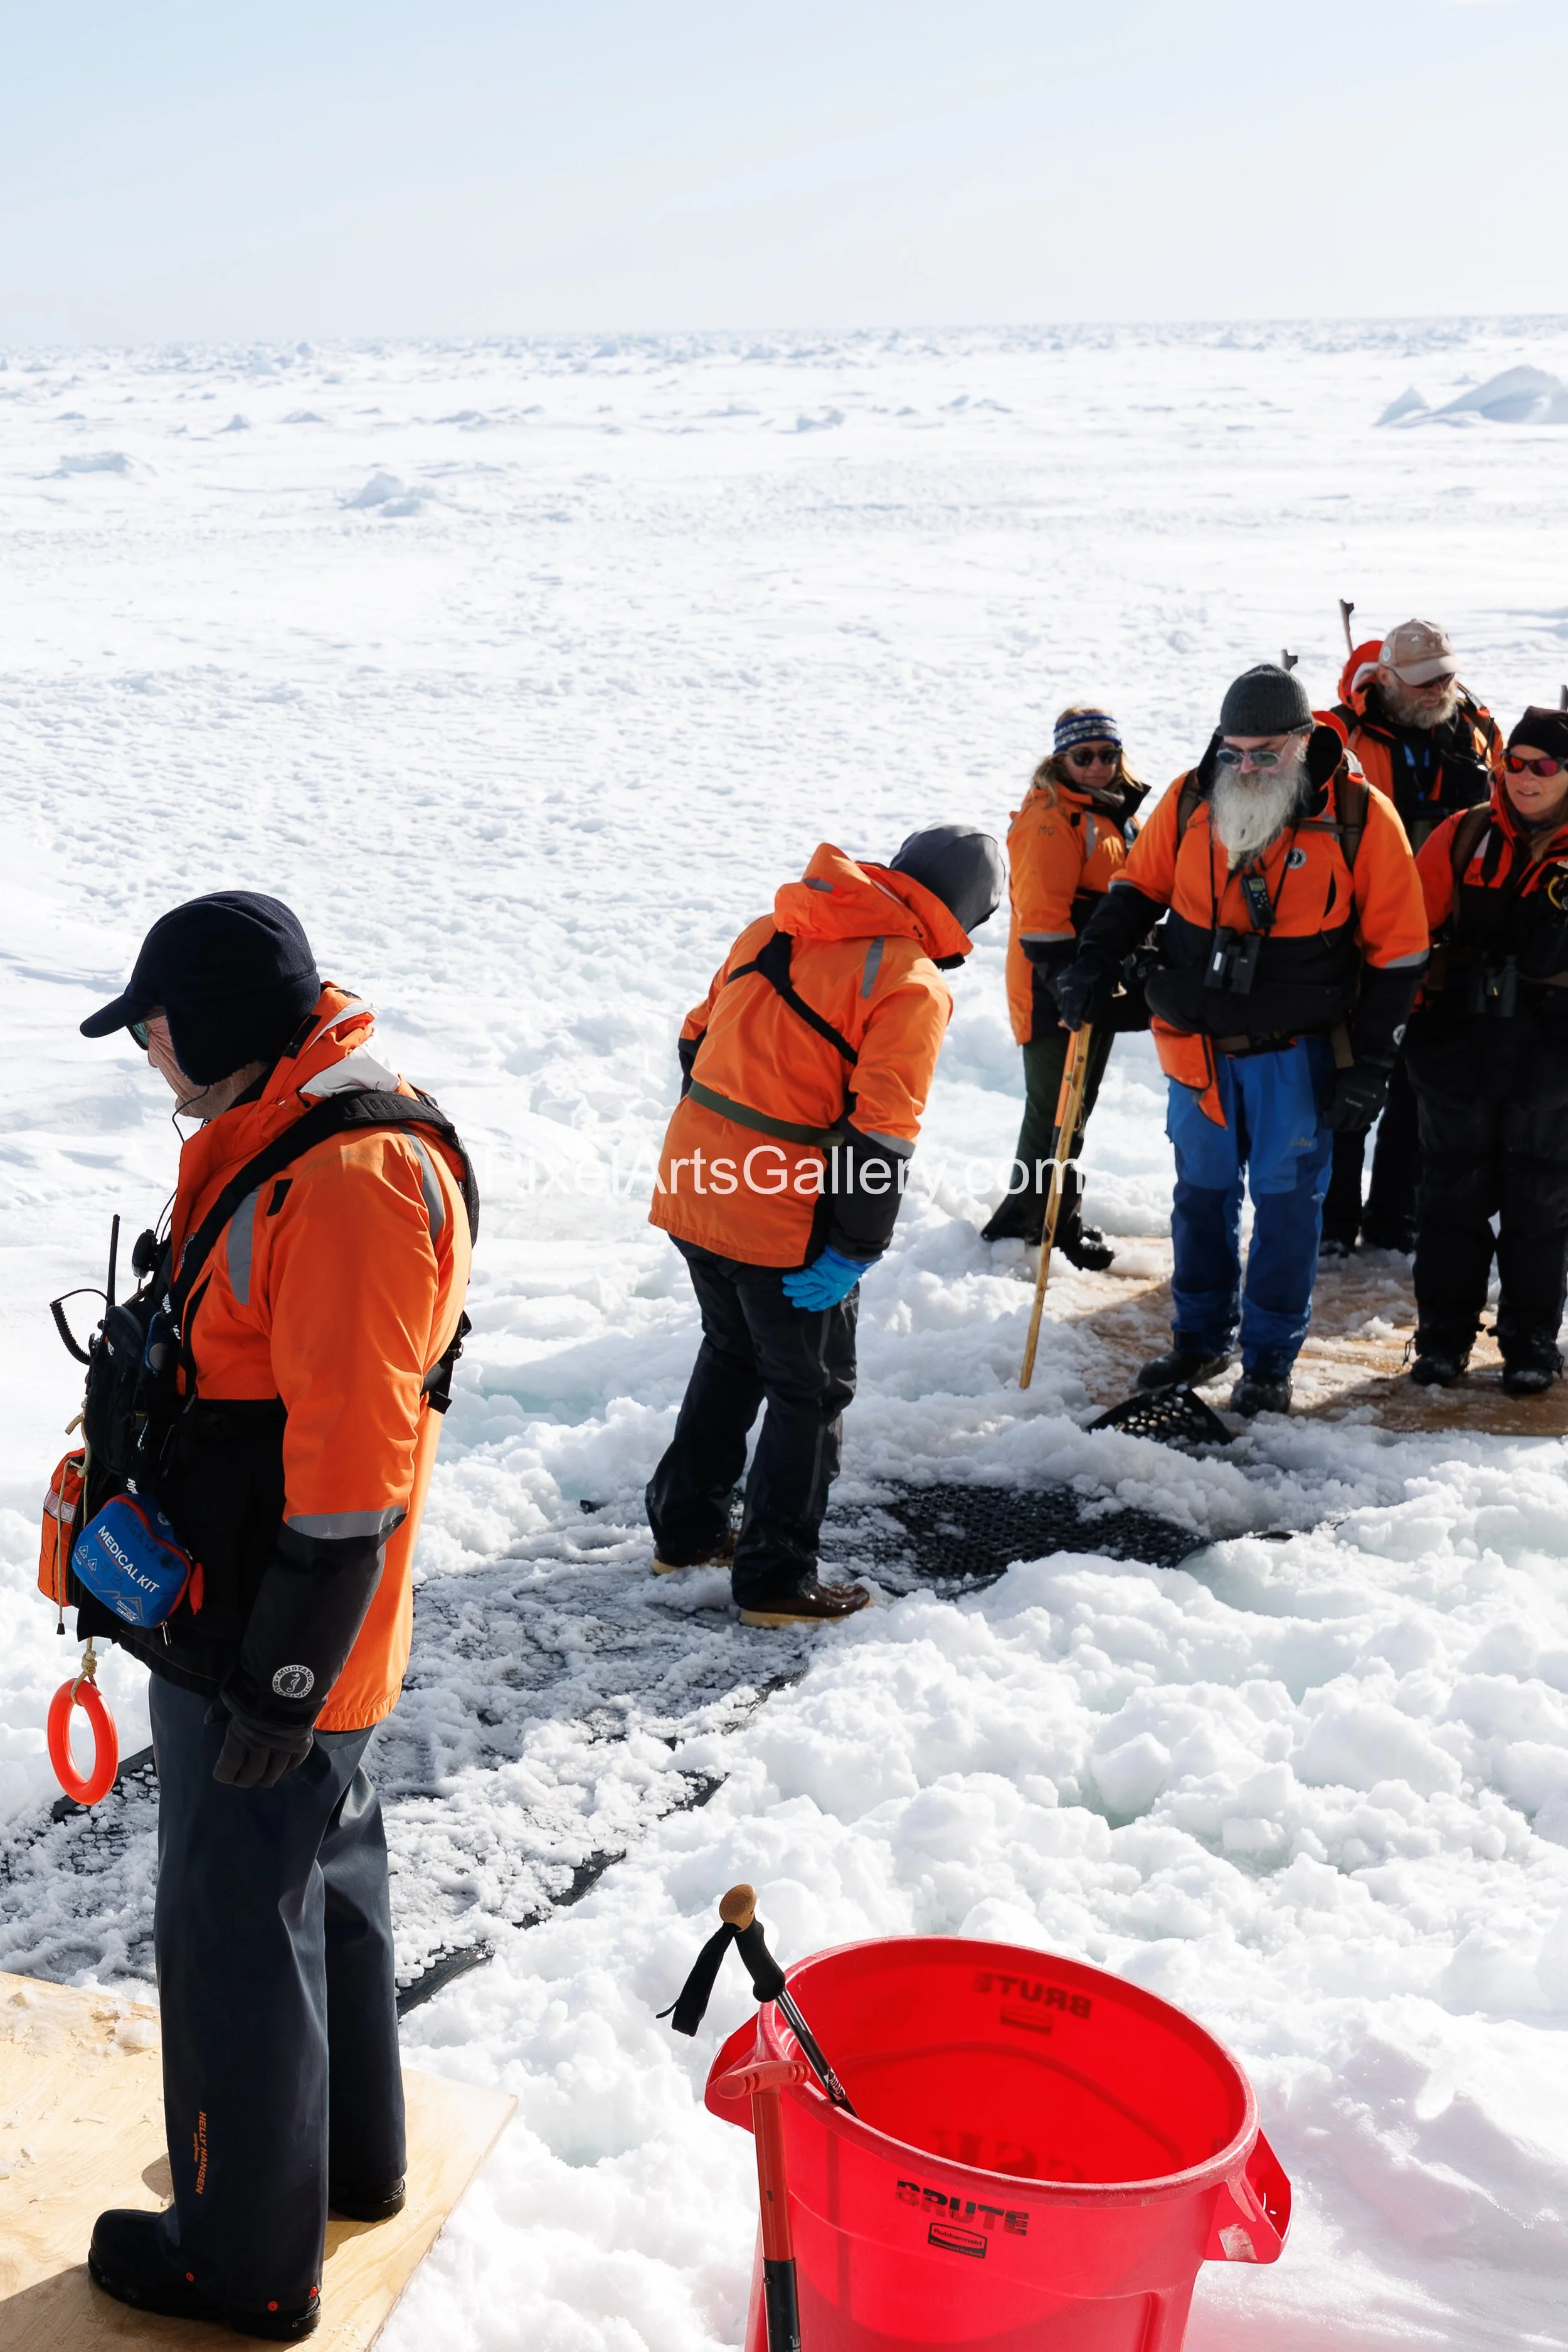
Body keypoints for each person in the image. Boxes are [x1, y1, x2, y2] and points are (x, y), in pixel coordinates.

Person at [75, 894, 475, 2341]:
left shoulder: (348, 1176)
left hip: (274, 1633)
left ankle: (239, 2258)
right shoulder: (286, 1123)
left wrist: (280, 1681)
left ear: (220, 1023)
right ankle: (343, 2161)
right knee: (323, 1876)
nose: (149, 1053)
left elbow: (354, 1469)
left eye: (154, 1027)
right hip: (281, 1619)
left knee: (232, 1924)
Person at [646, 826, 1003, 1622]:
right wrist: (852, 1247)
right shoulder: (909, 981)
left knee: (732, 1351)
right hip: (780, 1209)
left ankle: (686, 1532)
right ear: (966, 912)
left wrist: (727, 1139)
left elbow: (695, 1037)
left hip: (695, 1178)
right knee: (809, 1391)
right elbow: (882, 1134)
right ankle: (776, 1581)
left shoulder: (774, 927)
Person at [1054, 664, 1428, 1417]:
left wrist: (1373, 1064)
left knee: (1287, 1211)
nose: (1248, 767)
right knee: (1200, 1199)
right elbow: (1137, 889)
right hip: (1194, 1046)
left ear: (1303, 741)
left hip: (1296, 1053)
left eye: (1265, 753)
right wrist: (1092, 961)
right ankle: (1198, 1338)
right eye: (1235, 752)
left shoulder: (1361, 816)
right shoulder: (1191, 798)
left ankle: (1268, 1359)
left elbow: (1400, 953)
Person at [1322, 620, 1503, 1254]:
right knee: (1349, 1077)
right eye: (1423, 680)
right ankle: (1332, 1221)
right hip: (1357, 938)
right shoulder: (1340, 735)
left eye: (1445, 677)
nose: (1436, 690)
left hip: (1447, 939)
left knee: (1419, 1085)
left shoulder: (1477, 731)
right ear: (1386, 677)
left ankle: (1395, 1217)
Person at [1405, 706, 1568, 1394]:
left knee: (1541, 1200)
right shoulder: (1465, 832)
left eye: (1544, 766)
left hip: (1552, 1054)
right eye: (1515, 763)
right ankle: (1442, 1338)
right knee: (1451, 1195)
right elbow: (1407, 929)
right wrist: (1409, 1024)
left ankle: (1531, 1341)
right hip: (1460, 1043)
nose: (1525, 777)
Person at [980, 706, 1147, 1263]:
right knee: (1053, 1109)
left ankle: (1055, 1214)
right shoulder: (1052, 818)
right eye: (1083, 756)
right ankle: (1025, 1222)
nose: (1097, 765)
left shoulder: (1116, 813)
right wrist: (1065, 982)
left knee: (1076, 1109)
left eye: (1107, 754)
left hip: (1097, 979)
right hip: (1053, 983)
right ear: (1061, 759)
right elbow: (1041, 913)